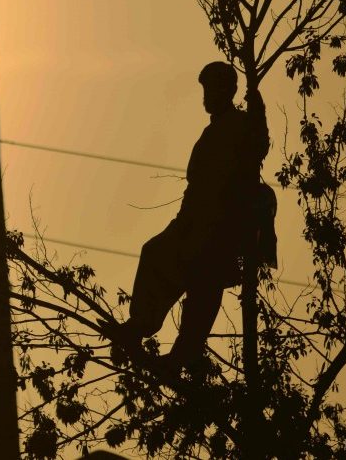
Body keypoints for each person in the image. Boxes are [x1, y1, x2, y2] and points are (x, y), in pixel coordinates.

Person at [109, 61, 275, 371]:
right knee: (157, 254)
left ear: (228, 90)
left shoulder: (239, 124)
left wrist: (258, 111)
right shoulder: (213, 130)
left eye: (213, 88)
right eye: (205, 89)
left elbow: (257, 148)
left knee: (202, 289)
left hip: (219, 226)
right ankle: (142, 325)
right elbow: (197, 183)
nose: (207, 96)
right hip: (193, 219)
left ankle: (181, 354)